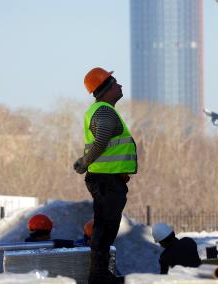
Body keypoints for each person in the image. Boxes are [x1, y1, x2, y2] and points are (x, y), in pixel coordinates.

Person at [73, 67, 138, 284]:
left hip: (107, 179)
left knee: (106, 227)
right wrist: (84, 162)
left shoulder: (102, 110)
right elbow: (101, 142)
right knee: (105, 227)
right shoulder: (104, 111)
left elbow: (105, 145)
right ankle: (99, 276)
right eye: (115, 82)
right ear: (106, 88)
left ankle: (101, 274)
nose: (120, 86)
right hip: (106, 180)